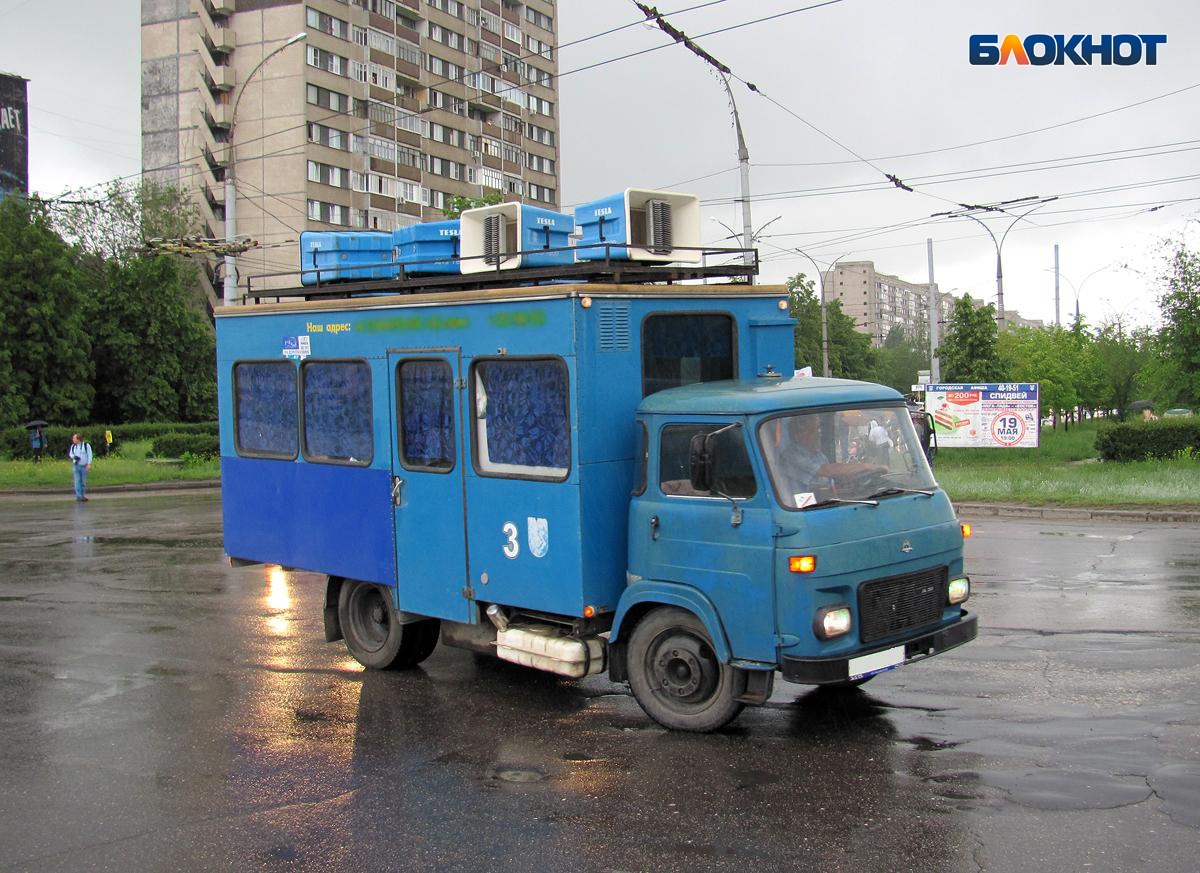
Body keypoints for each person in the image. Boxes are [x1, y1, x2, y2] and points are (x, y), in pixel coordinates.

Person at [68, 433, 93, 502]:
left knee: (83, 482)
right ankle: (78, 496)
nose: (73, 439)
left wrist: (89, 464)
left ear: (78, 439)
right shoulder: (73, 446)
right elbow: (71, 454)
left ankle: (82, 495)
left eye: (74, 438)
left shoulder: (86, 446)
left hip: (84, 465)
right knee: (77, 481)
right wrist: (74, 457)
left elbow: (90, 455)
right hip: (76, 465)